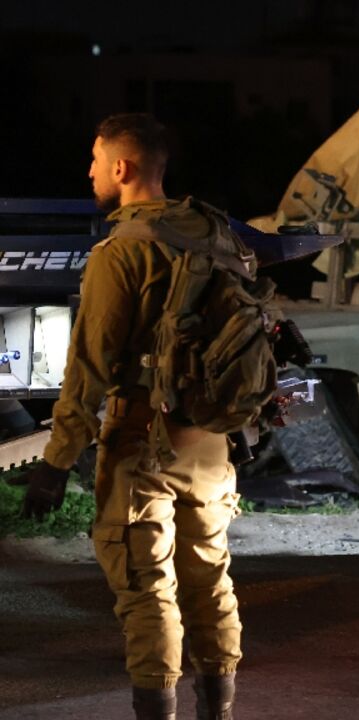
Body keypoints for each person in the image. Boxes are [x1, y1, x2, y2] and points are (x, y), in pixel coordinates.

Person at [19, 114, 243, 720]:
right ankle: (218, 710)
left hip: (142, 438)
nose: (89, 170)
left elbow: (88, 369)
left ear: (121, 168)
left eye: (95, 159)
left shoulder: (121, 252)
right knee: (209, 580)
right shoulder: (214, 234)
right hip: (211, 440)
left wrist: (56, 461)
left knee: (147, 589)